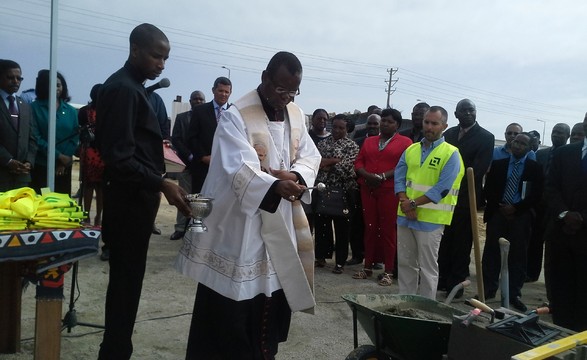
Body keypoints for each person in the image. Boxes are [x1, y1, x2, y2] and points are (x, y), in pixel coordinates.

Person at [176, 51, 321, 359]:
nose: (285, 98)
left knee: (271, 294)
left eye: (293, 91)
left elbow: (311, 155)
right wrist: (273, 186)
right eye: (280, 89)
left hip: (280, 215)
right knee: (235, 304)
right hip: (243, 222)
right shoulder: (236, 115)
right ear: (265, 77)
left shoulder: (296, 114)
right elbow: (236, 166)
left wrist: (295, 174)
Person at [94, 23, 191, 359]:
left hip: (135, 201)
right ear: (135, 49)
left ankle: (117, 349)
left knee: (128, 286)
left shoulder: (134, 88)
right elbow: (118, 157)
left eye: (165, 58)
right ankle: (115, 352)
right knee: (124, 287)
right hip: (126, 202)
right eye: (156, 56)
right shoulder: (123, 89)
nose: (161, 64)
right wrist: (160, 182)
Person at [394, 106, 464, 299]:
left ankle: (426, 308)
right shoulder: (411, 149)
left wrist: (412, 204)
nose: (429, 127)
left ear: (444, 126)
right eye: (427, 122)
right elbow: (399, 177)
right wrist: (404, 201)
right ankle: (405, 303)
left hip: (431, 220)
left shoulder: (451, 154)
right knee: (406, 264)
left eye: (435, 123)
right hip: (405, 216)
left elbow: (442, 188)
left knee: (427, 268)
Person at [438, 99, 494, 297]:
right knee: (444, 241)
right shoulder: (449, 134)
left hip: (466, 198)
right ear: (456, 114)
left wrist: (451, 181)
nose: (468, 113)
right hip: (444, 198)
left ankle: (457, 284)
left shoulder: (486, 137)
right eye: (464, 110)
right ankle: (441, 279)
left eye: (472, 110)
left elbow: (478, 170)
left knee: (462, 243)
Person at [482, 132, 543, 312]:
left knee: (517, 255)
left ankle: (514, 294)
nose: (517, 146)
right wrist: (501, 207)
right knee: (491, 253)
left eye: (522, 144)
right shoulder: (499, 165)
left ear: (530, 148)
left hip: (520, 217)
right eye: (516, 142)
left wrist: (516, 208)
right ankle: (488, 289)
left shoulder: (534, 168)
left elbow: (536, 195)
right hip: (498, 214)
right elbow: (489, 189)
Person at [353, 108, 412, 286]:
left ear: (397, 125)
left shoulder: (405, 142)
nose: (385, 124)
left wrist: (383, 176)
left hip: (389, 190)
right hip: (368, 189)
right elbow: (359, 161)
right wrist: (366, 175)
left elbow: (404, 165)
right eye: (383, 121)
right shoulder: (370, 141)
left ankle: (388, 271)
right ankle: (368, 267)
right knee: (370, 228)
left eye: (390, 121)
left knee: (388, 231)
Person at [546, 116, 587, 331]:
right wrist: (565, 214)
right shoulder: (564, 153)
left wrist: (582, 218)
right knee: (561, 290)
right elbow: (551, 187)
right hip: (561, 233)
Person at [313, 114, 359, 274]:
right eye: (335, 126)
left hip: (343, 192)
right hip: (323, 190)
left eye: (341, 128)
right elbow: (315, 163)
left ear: (347, 129)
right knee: (322, 227)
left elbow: (347, 169)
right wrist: (334, 161)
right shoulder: (322, 143)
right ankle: (320, 257)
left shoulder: (352, 146)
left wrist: (328, 162)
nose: (337, 130)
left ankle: (340, 262)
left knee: (342, 229)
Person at [529, 123, 569, 283]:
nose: (556, 135)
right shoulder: (541, 154)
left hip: (558, 207)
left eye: (560, 133)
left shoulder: (569, 155)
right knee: (534, 241)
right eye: (554, 132)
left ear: (567, 136)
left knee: (555, 244)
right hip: (539, 205)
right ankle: (531, 273)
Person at [30, 70, 78, 195]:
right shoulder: (34, 108)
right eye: (52, 84)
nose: (56, 88)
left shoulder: (71, 111)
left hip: (64, 167)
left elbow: (74, 137)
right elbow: (35, 137)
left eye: (59, 85)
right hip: (42, 165)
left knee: (61, 202)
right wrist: (58, 156)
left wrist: (64, 160)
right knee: (42, 202)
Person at [169, 90, 206, 241]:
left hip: (203, 166)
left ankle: (197, 230)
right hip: (186, 164)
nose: (198, 101)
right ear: (190, 101)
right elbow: (176, 139)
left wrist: (201, 157)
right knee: (183, 196)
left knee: (201, 199)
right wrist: (190, 156)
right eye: (195, 99)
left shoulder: (207, 118)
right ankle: (180, 228)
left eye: (200, 99)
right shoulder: (182, 118)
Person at [187, 76, 232, 193]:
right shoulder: (199, 111)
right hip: (203, 168)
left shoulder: (235, 113)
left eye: (227, 92)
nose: (223, 94)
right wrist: (203, 157)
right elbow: (192, 137)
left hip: (227, 169)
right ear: (213, 90)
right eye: (220, 91)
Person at [347, 113, 381, 266]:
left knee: (376, 224)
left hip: (380, 188)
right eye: (370, 124)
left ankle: (375, 258)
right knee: (357, 223)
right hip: (359, 188)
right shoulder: (358, 142)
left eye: (376, 124)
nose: (373, 126)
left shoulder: (384, 142)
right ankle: (357, 255)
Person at [0, 60, 37, 192]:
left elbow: (32, 138)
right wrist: (9, 161)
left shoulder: (25, 106)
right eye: (10, 77)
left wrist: (29, 162)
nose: (16, 81)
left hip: (22, 177)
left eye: (19, 78)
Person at [78, 83, 104, 227]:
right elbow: (80, 132)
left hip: (104, 153)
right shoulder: (83, 111)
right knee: (88, 186)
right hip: (88, 152)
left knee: (101, 187)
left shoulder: (109, 111)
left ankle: (98, 217)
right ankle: (86, 216)